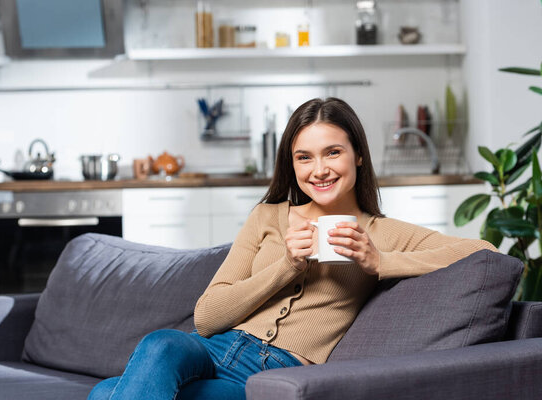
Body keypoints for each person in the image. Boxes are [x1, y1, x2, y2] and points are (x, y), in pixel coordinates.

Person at [88, 97, 496, 400]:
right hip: (214, 347)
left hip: (276, 373)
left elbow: (485, 251)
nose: (318, 169)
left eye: (332, 152)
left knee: (108, 393)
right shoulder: (268, 216)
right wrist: (286, 265)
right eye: (304, 157)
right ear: (293, 164)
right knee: (160, 344)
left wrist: (380, 261)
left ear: (357, 155)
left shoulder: (380, 233)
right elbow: (208, 317)